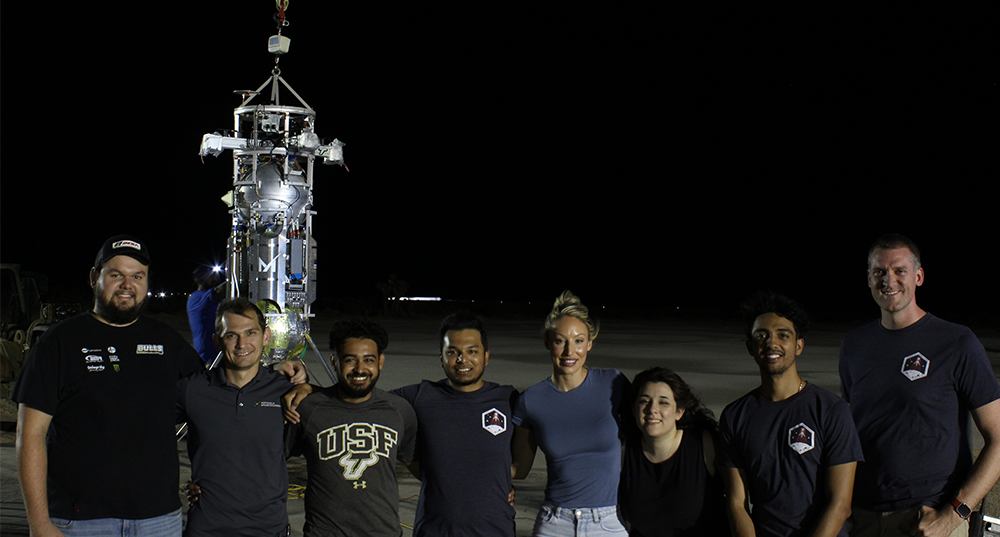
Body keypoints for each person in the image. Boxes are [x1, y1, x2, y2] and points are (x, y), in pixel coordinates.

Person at [14, 235, 205, 537]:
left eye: (137, 276)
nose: (127, 284)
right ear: (94, 278)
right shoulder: (59, 342)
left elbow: (219, 399)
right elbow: (30, 435)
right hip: (79, 521)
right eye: (116, 274)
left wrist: (283, 375)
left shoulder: (168, 343)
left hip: (158, 519)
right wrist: (39, 523)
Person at [839, 234, 1000, 537]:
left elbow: (999, 439)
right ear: (869, 278)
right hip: (862, 518)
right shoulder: (854, 346)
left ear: (918, 276)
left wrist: (954, 515)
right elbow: (849, 435)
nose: (889, 280)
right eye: (879, 272)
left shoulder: (956, 342)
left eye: (899, 270)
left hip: (928, 519)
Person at [720, 291, 863, 537]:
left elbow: (840, 505)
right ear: (750, 347)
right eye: (761, 335)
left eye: (782, 335)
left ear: (798, 346)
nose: (771, 343)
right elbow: (736, 503)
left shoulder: (830, 410)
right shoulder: (735, 416)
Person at [390, 311, 533, 537]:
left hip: (495, 531)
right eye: (453, 352)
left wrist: (494, 480)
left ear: (486, 356)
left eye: (472, 351)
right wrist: (314, 392)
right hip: (435, 531)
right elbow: (364, 402)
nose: (462, 360)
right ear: (441, 358)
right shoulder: (420, 397)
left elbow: (520, 469)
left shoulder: (508, 400)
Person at [177, 298, 300, 537]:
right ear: (217, 340)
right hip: (207, 529)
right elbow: (146, 424)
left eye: (250, 332)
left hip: (267, 529)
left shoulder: (285, 390)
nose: (242, 343)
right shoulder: (193, 390)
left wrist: (308, 388)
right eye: (231, 335)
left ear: (266, 336)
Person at [511, 290, 630, 536]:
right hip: (555, 523)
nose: (569, 351)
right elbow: (519, 469)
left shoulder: (613, 382)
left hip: (608, 522)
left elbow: (645, 438)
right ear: (547, 342)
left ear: (589, 343)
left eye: (578, 340)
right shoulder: (530, 400)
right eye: (560, 340)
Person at [284, 318, 418, 537]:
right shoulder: (308, 409)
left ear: (380, 362)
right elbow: (271, 459)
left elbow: (418, 465)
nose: (360, 369)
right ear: (334, 362)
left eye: (368, 360)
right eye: (350, 360)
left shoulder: (399, 411)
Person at [618, 367, 728, 536]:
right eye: (644, 401)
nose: (652, 409)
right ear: (634, 410)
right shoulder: (624, 452)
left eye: (663, 402)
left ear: (679, 412)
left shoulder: (705, 444)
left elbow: (738, 500)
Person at [186, 266, 224, 362]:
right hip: (206, 357)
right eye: (210, 276)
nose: (214, 278)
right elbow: (219, 291)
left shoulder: (215, 301)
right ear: (199, 280)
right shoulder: (196, 297)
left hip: (220, 355)